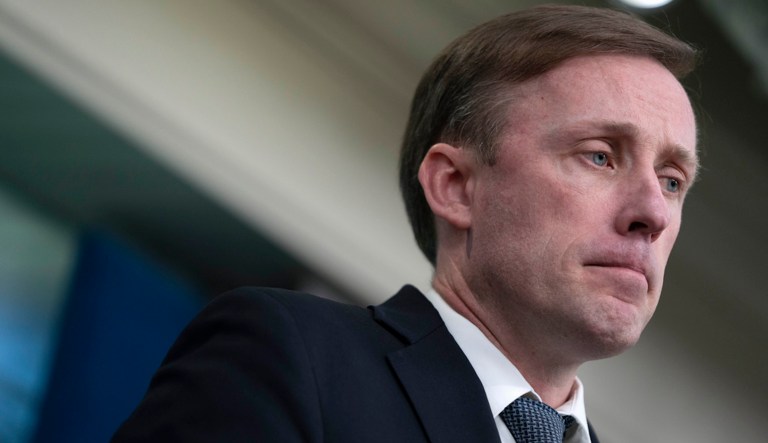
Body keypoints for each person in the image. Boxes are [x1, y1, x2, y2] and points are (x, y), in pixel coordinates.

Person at [112, 4, 699, 443]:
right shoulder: (292, 357)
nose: (652, 212)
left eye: (673, 180)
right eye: (600, 155)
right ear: (456, 187)